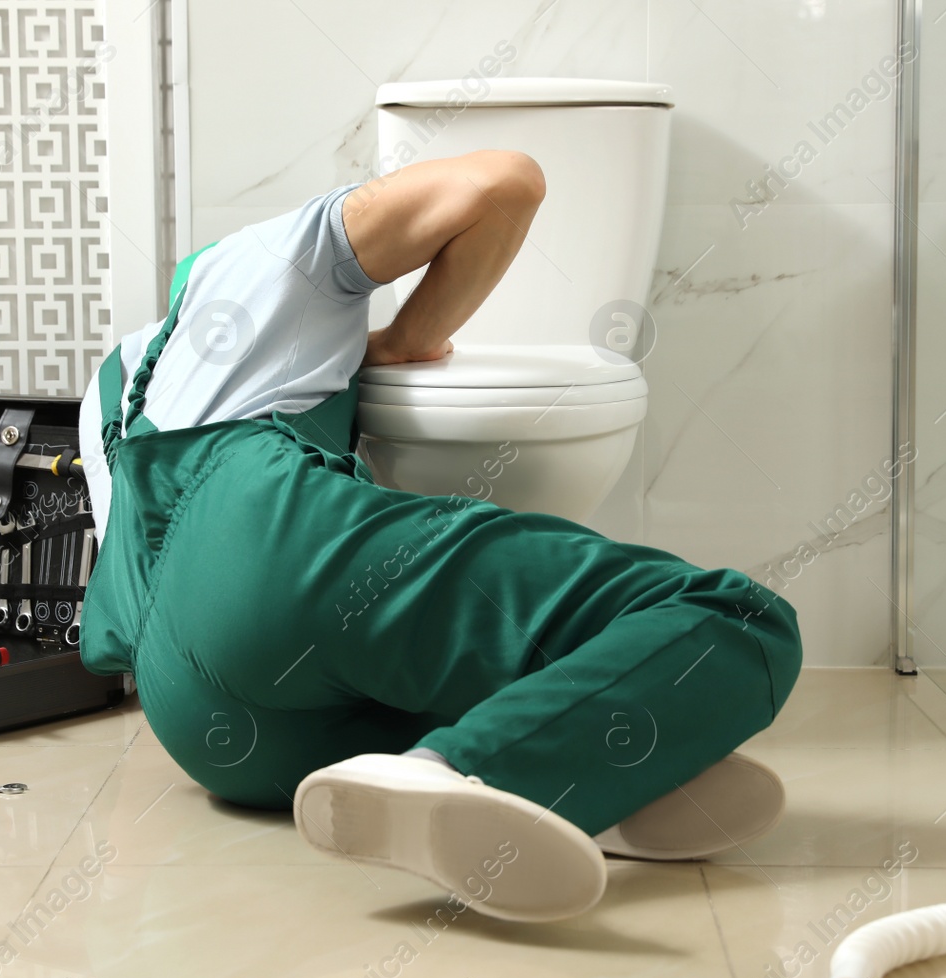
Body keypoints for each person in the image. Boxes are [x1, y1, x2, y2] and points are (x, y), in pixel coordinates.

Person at [77, 150, 803, 922]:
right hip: (265, 542)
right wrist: (404, 340)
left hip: (202, 723)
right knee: (741, 619)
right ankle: (465, 769)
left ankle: (591, 777)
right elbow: (505, 181)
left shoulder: (110, 390)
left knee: (460, 668)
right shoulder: (277, 252)